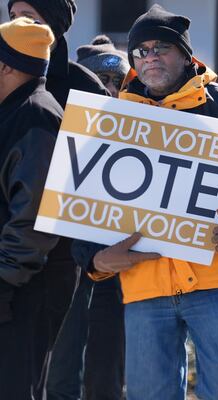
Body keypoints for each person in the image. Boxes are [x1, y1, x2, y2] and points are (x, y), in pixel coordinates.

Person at [71, 5, 218, 400]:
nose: (150, 57)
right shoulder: (112, 119)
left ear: (185, 54)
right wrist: (93, 258)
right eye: (140, 50)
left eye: (160, 47)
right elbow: (82, 202)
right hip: (143, 287)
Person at [8, 4, 111, 395]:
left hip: (63, 251)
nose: (22, 22)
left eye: (33, 15)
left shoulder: (85, 87)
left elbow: (108, 173)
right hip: (9, 243)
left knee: (55, 369)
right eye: (15, 11)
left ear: (56, 24)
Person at [43, 35, 130, 400]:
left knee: (109, 371)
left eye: (118, 82)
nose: (109, 89)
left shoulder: (146, 133)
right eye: (101, 80)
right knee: (61, 369)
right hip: (66, 259)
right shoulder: (56, 123)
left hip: (121, 265)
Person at [0, 17, 63, 399]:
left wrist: (3, 281)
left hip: (21, 289)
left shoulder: (36, 114)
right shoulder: (17, 109)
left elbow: (34, 219)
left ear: (6, 65)